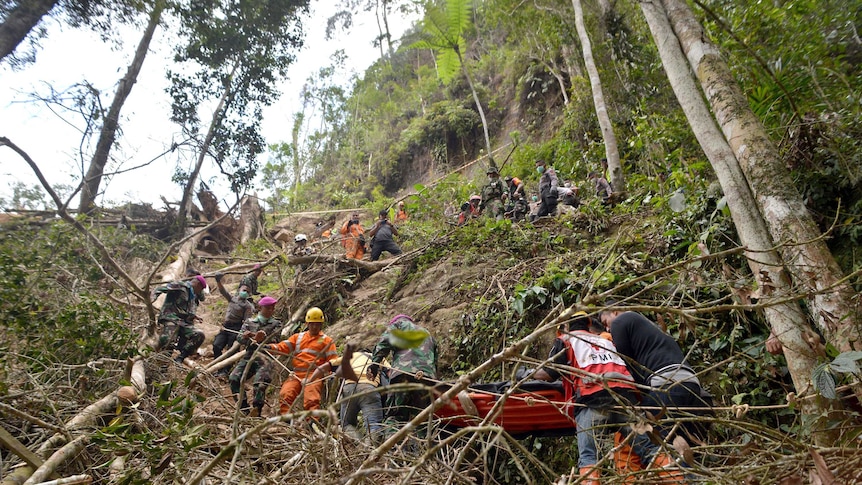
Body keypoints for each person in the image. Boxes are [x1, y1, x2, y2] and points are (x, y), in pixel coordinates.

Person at [604, 307, 712, 480]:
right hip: (692, 385)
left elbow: (627, 364)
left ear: (615, 312)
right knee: (688, 450)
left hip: (666, 385)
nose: (608, 329)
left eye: (605, 322)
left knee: (664, 447)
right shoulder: (651, 330)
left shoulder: (621, 320)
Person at [534, 312, 639, 483]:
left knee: (590, 457)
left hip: (592, 402)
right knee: (649, 448)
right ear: (589, 325)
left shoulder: (567, 341)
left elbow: (549, 374)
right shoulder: (607, 340)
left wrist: (528, 374)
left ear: (566, 327)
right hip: (626, 399)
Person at [308, 343, 390, 442]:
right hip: (369, 388)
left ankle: (359, 444)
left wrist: (309, 380)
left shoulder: (351, 357)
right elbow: (390, 373)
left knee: (346, 424)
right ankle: (370, 447)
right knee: (373, 424)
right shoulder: (378, 357)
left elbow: (325, 366)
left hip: (349, 389)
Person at [370, 314, 438, 429]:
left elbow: (384, 343)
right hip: (426, 378)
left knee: (396, 416)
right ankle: (422, 445)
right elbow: (435, 361)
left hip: (403, 375)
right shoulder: (427, 333)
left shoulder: (398, 325)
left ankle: (394, 446)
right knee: (422, 418)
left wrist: (374, 366)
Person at [266, 307, 338, 415]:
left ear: (321, 324)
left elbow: (333, 361)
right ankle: (285, 420)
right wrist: (269, 347)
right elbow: (282, 347)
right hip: (296, 374)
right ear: (307, 323)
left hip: (315, 374)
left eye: (317, 324)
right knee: (286, 394)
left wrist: (332, 374)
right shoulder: (297, 337)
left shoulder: (327, 341)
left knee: (311, 399)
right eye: (312, 323)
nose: (314, 326)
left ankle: (312, 422)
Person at [229, 296, 283, 416]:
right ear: (260, 308)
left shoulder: (276, 324)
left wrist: (261, 339)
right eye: (268, 308)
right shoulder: (249, 322)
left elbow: (275, 340)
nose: (270, 310)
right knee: (234, 378)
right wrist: (246, 337)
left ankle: (257, 411)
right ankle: (243, 408)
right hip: (250, 355)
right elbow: (239, 338)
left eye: (272, 308)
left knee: (260, 383)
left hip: (265, 357)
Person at [153, 274, 207, 364]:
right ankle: (163, 363)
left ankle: (181, 357)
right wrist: (152, 298)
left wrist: (193, 316)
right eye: (200, 289)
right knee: (168, 340)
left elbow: (186, 309)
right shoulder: (180, 286)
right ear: (197, 284)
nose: (200, 292)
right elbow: (159, 289)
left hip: (184, 322)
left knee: (199, 335)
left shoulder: (193, 294)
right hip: (171, 317)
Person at [211, 272, 255, 371]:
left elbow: (247, 321)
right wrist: (218, 281)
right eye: (244, 290)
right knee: (216, 345)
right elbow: (223, 291)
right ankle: (217, 368)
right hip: (225, 326)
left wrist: (242, 332)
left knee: (231, 350)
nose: (245, 292)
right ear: (239, 290)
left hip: (236, 328)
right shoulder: (232, 299)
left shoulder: (248, 306)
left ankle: (225, 371)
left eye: (247, 291)